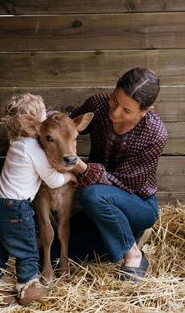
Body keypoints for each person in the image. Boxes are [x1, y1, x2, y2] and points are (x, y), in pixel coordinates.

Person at [65, 67, 168, 281]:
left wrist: (79, 167)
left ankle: (134, 255)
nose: (115, 112)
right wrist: (41, 116)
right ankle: (127, 237)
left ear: (146, 110)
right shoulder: (99, 105)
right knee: (57, 254)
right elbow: (67, 124)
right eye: (115, 100)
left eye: (126, 111)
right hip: (100, 208)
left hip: (137, 203)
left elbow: (123, 185)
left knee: (93, 195)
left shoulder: (155, 134)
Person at [0, 93, 77, 305]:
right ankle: (29, 289)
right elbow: (52, 180)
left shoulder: (15, 143)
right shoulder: (33, 148)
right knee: (27, 251)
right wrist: (69, 175)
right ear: (31, 125)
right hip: (16, 209)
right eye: (44, 116)